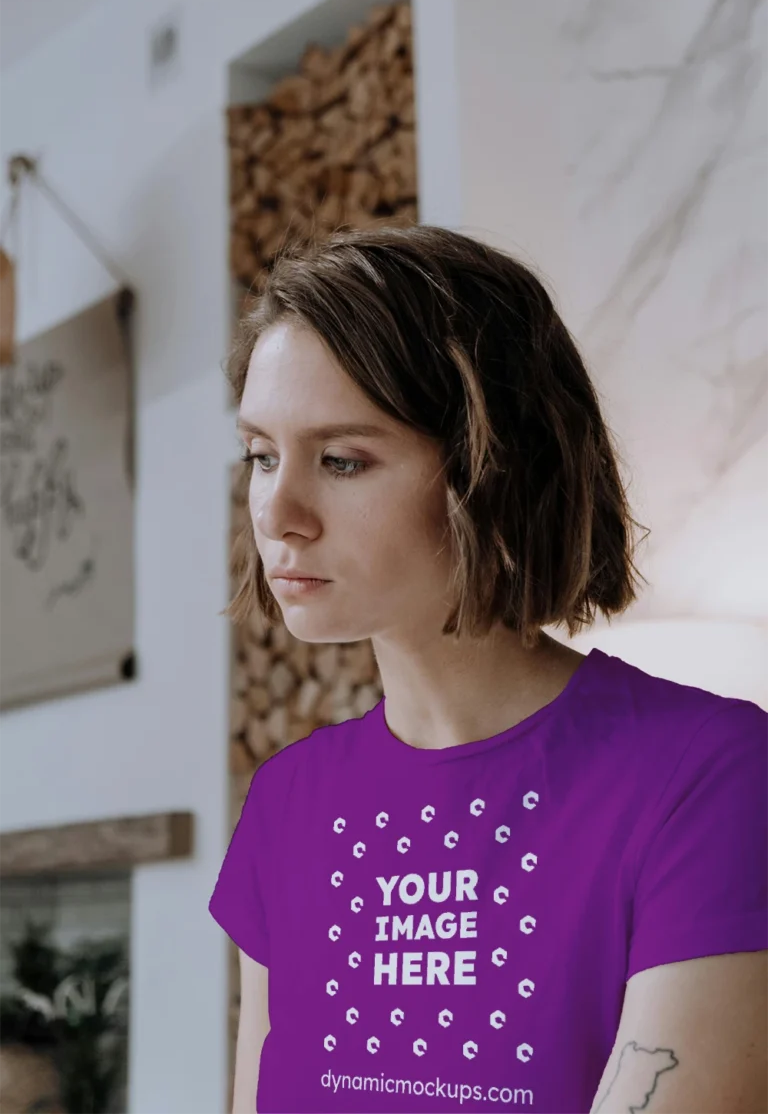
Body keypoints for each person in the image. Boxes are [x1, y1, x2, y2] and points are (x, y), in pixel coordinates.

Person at [209, 224, 768, 1114]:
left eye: (343, 459)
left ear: (492, 467)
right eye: (261, 456)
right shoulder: (286, 802)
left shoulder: (708, 772)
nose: (278, 511)